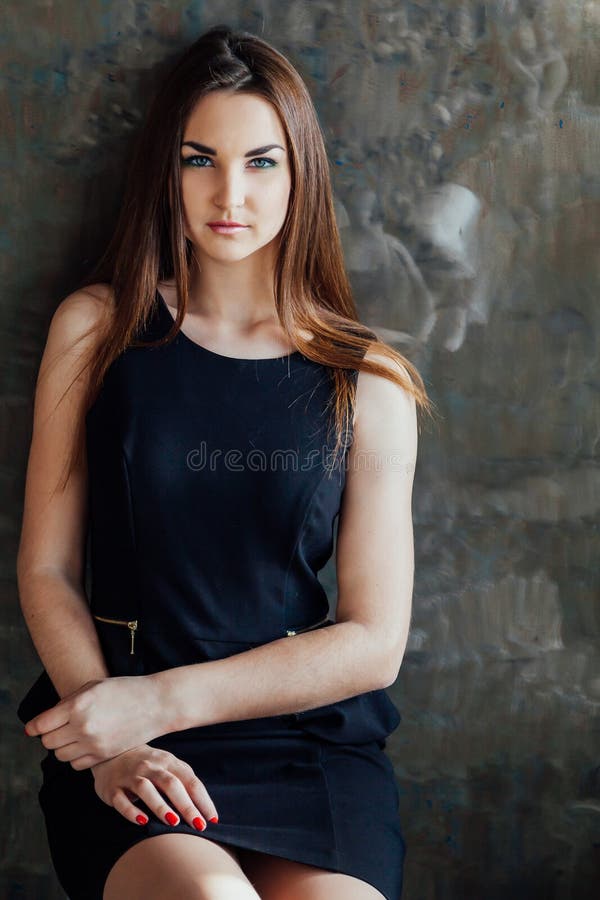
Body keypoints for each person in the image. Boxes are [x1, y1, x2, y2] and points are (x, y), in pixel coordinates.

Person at [16, 24, 433, 900]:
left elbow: (372, 642)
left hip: (303, 739)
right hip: (123, 724)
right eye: (199, 159)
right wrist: (116, 735)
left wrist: (163, 702)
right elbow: (48, 567)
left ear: (301, 172)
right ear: (164, 172)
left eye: (261, 162)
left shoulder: (370, 379)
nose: (228, 193)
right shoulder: (97, 329)